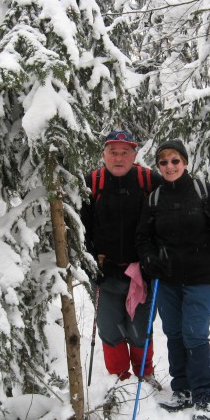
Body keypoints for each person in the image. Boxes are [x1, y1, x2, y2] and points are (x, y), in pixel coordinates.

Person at [136, 139, 210, 420]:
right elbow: (143, 237)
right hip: (167, 279)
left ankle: (204, 394)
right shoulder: (154, 199)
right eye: (163, 162)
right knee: (175, 333)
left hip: (201, 277)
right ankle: (182, 389)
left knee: (194, 333)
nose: (169, 166)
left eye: (175, 161)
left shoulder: (203, 192)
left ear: (185, 162)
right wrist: (149, 259)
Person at [81, 130, 163, 388]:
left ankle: (144, 375)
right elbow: (79, 228)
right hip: (105, 272)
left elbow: (171, 214)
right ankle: (118, 378)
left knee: (141, 327)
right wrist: (91, 263)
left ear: (134, 155)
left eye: (125, 152)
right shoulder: (91, 183)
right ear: (103, 154)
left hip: (142, 273)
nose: (119, 158)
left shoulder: (149, 181)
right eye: (113, 152)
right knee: (109, 328)